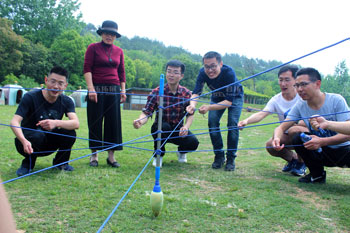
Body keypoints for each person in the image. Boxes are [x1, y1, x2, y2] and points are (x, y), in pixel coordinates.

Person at [272, 67, 350, 183]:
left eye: (303, 84)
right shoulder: (300, 105)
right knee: (298, 137)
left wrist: (323, 141)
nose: (299, 89)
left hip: (344, 151)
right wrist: (277, 138)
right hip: (322, 151)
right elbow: (281, 127)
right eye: (297, 85)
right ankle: (317, 175)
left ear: (317, 84)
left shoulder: (336, 100)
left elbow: (348, 135)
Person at [238, 65, 308, 176]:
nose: (283, 84)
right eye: (280, 80)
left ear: (296, 81)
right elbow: (262, 113)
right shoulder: (276, 99)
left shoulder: (303, 98)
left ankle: (302, 163)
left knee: (295, 130)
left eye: (287, 80)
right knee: (270, 145)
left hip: (306, 136)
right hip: (286, 135)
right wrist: (246, 121)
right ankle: (293, 160)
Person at [10, 66, 79, 176]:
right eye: (53, 81)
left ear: (65, 86)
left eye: (60, 83)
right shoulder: (30, 97)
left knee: (70, 133)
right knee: (38, 135)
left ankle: (61, 163)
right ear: (46, 80)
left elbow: (76, 123)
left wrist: (55, 123)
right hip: (26, 144)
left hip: (49, 144)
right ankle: (27, 164)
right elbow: (14, 122)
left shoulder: (66, 101)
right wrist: (23, 140)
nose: (56, 86)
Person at [133, 60, 199, 167]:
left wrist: (186, 127)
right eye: (169, 71)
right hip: (161, 128)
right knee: (162, 127)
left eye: (175, 72)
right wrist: (140, 121)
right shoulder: (156, 92)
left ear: (181, 76)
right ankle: (158, 155)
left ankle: (181, 152)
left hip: (178, 129)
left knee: (193, 142)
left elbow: (190, 114)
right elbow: (147, 112)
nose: (171, 75)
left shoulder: (186, 93)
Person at [186, 51, 244, 171]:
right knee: (212, 122)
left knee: (232, 124)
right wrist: (192, 105)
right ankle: (219, 156)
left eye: (213, 66)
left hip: (234, 98)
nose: (210, 70)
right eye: (207, 66)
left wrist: (208, 107)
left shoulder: (229, 73)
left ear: (220, 64)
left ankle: (231, 158)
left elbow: (228, 102)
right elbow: (196, 92)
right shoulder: (202, 73)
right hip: (216, 96)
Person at [83, 20, 126, 168]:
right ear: (101, 33)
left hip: (113, 89)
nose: (109, 36)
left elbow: (121, 72)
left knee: (113, 122)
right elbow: (87, 68)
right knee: (95, 121)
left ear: (115, 36)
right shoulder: (93, 48)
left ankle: (111, 156)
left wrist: (123, 90)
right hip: (97, 88)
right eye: (107, 33)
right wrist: (91, 88)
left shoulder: (119, 51)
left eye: (113, 34)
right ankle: (94, 156)